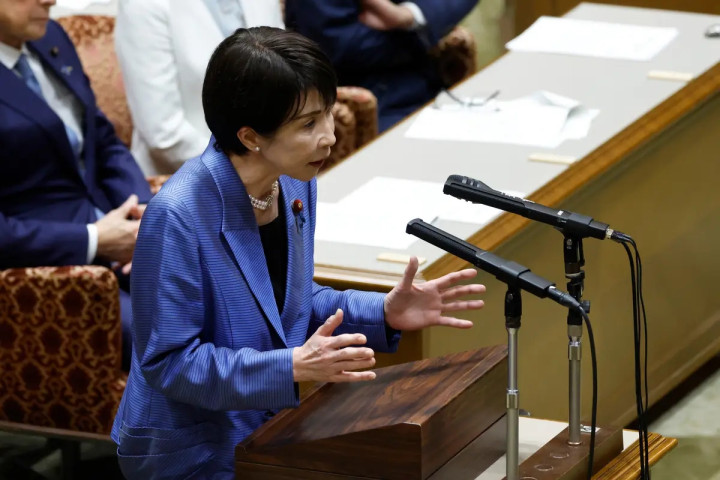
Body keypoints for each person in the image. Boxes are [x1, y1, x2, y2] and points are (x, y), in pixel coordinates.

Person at [112, 27, 487, 479]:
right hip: (193, 450)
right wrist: (290, 366)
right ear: (250, 136)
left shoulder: (293, 181)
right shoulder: (178, 215)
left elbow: (288, 306)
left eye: (327, 113)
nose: (329, 136)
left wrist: (384, 311)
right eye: (308, 124)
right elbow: (169, 363)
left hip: (271, 429)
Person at [0, 0, 152, 370]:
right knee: (167, 339)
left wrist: (145, 213)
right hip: (48, 275)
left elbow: (103, 140)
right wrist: (94, 239)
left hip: (120, 238)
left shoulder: (49, 36)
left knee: (235, 304)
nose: (50, 1)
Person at [113, 0, 284, 175]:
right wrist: (250, 166)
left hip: (278, 165)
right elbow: (163, 134)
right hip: (184, 176)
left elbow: (285, 80)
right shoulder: (143, 5)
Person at [285, 0, 479, 132]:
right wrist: (416, 35)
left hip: (434, 86)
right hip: (372, 106)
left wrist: (411, 15)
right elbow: (339, 46)